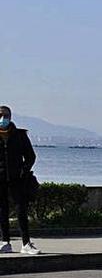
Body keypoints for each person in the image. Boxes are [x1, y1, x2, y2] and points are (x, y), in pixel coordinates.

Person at [0, 105, 40, 255]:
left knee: (21, 210)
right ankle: (5, 242)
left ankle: (26, 243)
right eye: (1, 115)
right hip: (1, 180)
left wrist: (23, 170)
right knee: (2, 211)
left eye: (6, 115)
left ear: (10, 117)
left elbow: (31, 156)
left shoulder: (20, 135)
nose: (3, 119)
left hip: (17, 179)